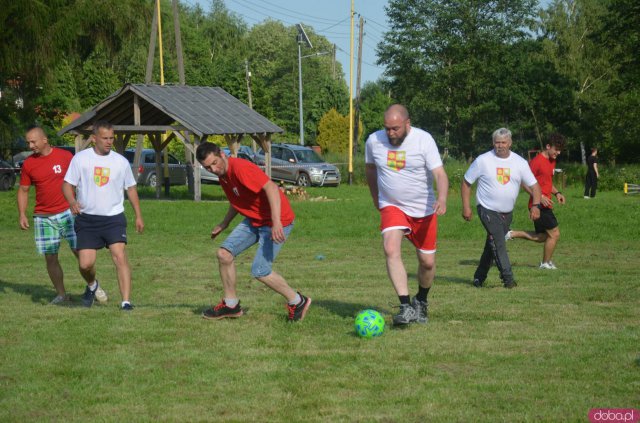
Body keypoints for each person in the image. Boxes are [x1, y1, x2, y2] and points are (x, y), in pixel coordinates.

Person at [196, 142, 311, 322]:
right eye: (208, 167)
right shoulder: (223, 176)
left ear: (222, 155)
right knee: (224, 254)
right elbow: (237, 200)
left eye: (215, 163)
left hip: (277, 220)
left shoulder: (241, 169)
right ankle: (231, 305)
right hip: (255, 220)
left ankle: (298, 301)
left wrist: (276, 222)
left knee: (260, 270)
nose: (213, 169)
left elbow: (272, 188)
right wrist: (224, 223)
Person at [365, 104, 449, 326]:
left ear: (407, 123)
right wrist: (376, 198)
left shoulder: (424, 140)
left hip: (423, 209)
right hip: (392, 206)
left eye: (395, 128)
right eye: (387, 129)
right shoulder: (374, 141)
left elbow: (440, 174)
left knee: (427, 262)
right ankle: (404, 306)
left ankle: (420, 300)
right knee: (390, 248)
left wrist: (441, 198)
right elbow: (370, 169)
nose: (390, 133)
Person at [17, 126, 107, 305]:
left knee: (81, 255)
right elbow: (23, 190)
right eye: (28, 142)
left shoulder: (65, 157)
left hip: (69, 213)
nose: (30, 145)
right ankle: (61, 294)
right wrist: (22, 214)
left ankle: (93, 285)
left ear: (44, 140)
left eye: (33, 141)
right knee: (50, 257)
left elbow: (82, 179)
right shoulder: (29, 164)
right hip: (43, 218)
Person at [62, 121, 144, 310]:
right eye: (105, 138)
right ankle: (92, 285)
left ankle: (125, 301)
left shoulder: (120, 161)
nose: (109, 142)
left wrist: (138, 215)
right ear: (94, 138)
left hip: (114, 218)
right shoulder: (81, 159)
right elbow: (67, 185)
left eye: (111, 138)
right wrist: (72, 202)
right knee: (85, 264)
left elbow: (131, 189)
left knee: (120, 256)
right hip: (87, 219)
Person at [461, 128, 541, 288]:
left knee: (491, 243)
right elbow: (466, 183)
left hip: (507, 212)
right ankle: (508, 279)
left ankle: (479, 277)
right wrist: (466, 207)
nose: (500, 145)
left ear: (510, 143)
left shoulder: (519, 162)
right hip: (486, 208)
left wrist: (536, 205)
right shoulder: (483, 160)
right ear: (493, 143)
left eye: (503, 142)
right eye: (497, 142)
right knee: (499, 242)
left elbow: (535, 186)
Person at [506, 133, 566, 269]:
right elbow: (524, 182)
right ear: (548, 146)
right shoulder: (537, 162)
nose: (558, 152)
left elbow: (547, 182)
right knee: (555, 234)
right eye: (556, 149)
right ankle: (545, 263)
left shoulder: (552, 160)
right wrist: (540, 197)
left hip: (546, 203)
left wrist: (557, 193)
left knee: (543, 236)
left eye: (560, 150)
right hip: (538, 205)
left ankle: (511, 233)